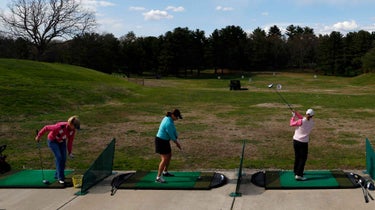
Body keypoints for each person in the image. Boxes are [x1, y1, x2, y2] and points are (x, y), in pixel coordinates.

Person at [35, 116, 80, 184]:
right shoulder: (59, 127)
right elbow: (46, 127)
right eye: (75, 126)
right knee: (59, 157)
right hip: (52, 141)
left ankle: (57, 174)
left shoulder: (72, 131)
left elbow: (70, 142)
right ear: (70, 124)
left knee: (64, 158)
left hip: (62, 141)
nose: (75, 129)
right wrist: (39, 136)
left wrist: (70, 152)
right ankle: (60, 178)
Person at [154, 109, 182, 183]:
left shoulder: (170, 119)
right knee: (164, 159)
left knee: (169, 155)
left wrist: (176, 136)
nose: (177, 119)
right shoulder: (168, 122)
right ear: (173, 115)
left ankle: (165, 172)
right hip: (160, 141)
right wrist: (177, 143)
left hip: (165, 141)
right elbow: (171, 135)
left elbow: (173, 130)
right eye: (177, 117)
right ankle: (158, 177)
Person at [290, 109, 314, 181]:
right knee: (302, 159)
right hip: (303, 142)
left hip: (296, 141)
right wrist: (296, 113)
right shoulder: (312, 122)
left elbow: (291, 123)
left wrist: (293, 116)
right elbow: (303, 118)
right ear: (313, 116)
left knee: (297, 156)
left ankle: (296, 171)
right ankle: (299, 175)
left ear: (306, 113)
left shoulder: (301, 121)